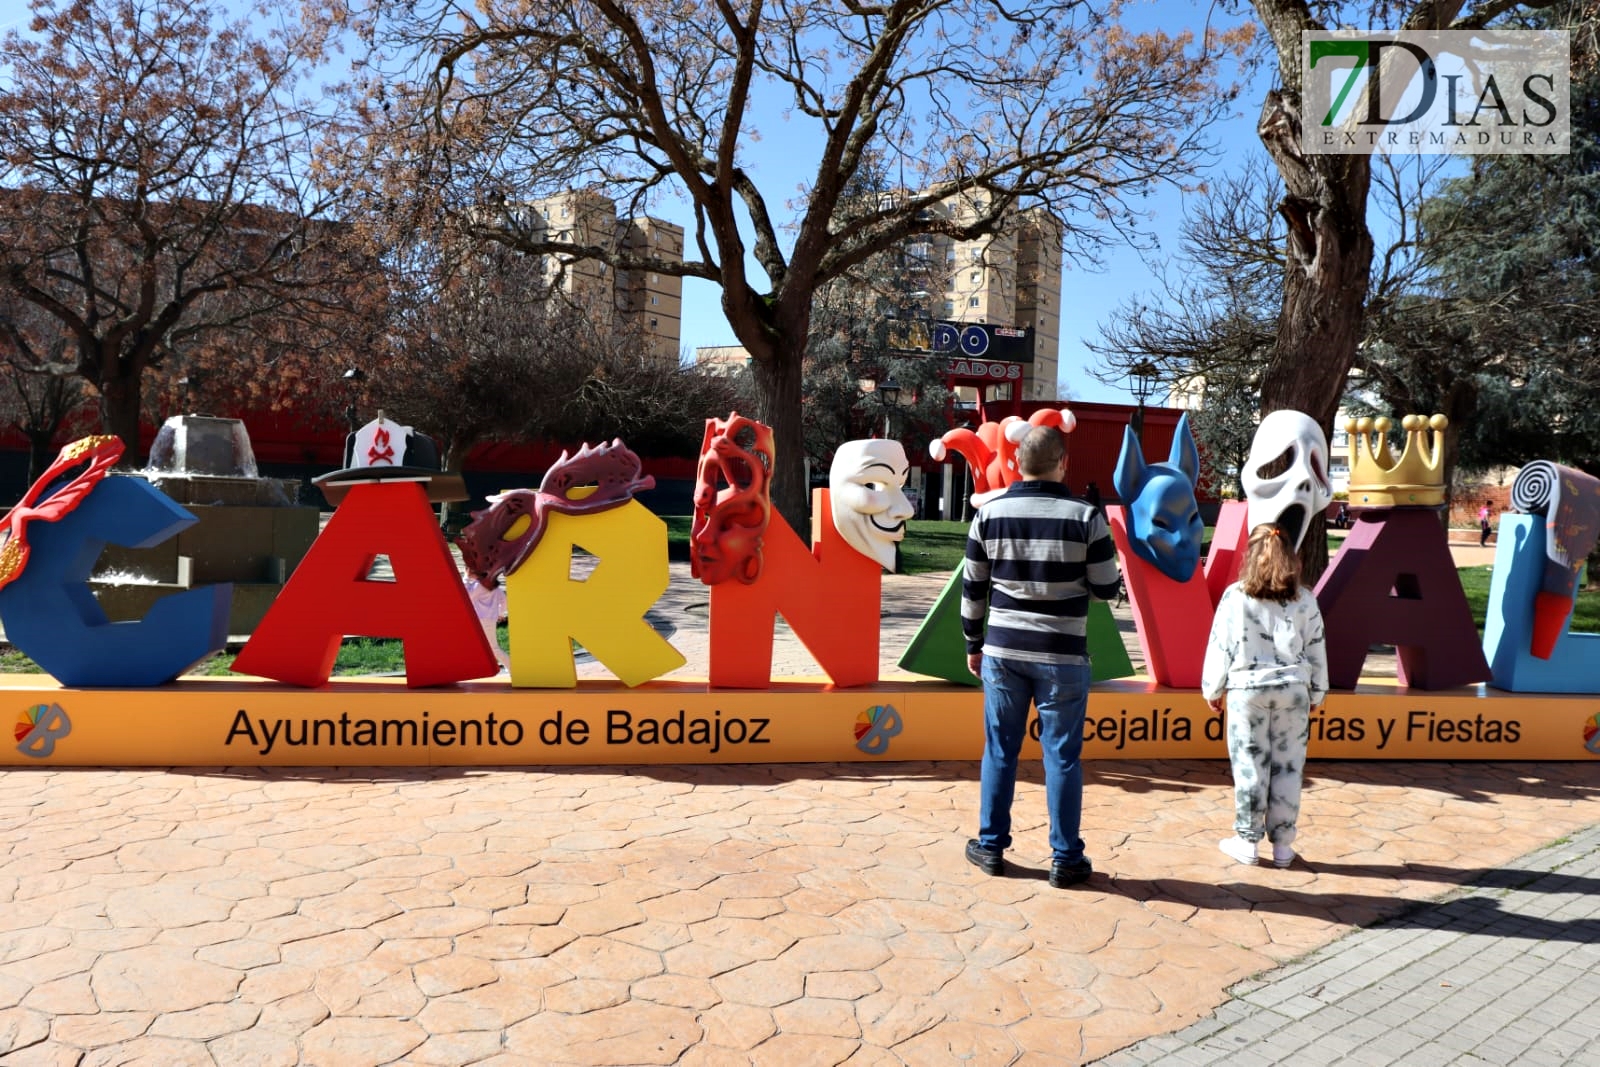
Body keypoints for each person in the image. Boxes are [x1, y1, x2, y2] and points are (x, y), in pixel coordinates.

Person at [962, 426, 1122, 889]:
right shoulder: (1086, 517)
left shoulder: (989, 515)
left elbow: (973, 589)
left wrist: (973, 644)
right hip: (1063, 654)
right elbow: (1107, 588)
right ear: (1062, 463)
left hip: (1003, 651)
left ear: (1016, 463)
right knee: (1063, 757)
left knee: (1000, 750)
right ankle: (1066, 857)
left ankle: (991, 846)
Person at [1201, 523, 1328, 869]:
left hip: (1248, 690)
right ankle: (1283, 846)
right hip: (1294, 690)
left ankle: (1247, 840)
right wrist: (1318, 691)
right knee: (1289, 768)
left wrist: (1212, 689)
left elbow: (1221, 646)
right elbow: (1316, 649)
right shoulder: (1306, 600)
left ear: (1249, 555)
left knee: (1250, 767)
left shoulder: (1235, 596)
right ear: (1292, 557)